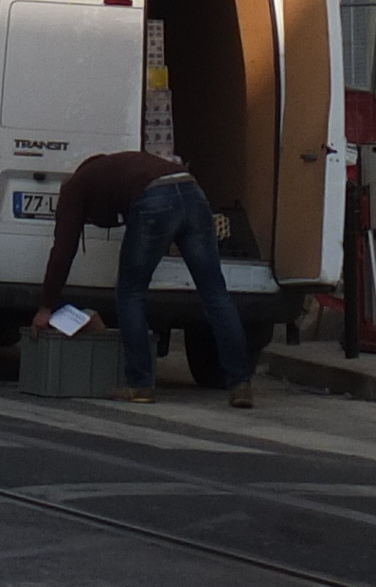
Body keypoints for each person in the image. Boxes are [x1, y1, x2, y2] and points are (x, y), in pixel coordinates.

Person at [32, 148, 255, 408]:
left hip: (156, 198)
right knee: (215, 293)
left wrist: (46, 306)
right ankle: (241, 383)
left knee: (130, 293)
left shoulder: (74, 189)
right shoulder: (114, 171)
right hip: (192, 192)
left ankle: (140, 384)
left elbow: (63, 251)